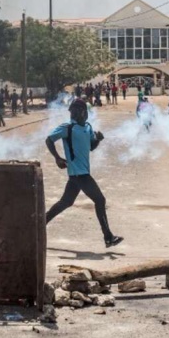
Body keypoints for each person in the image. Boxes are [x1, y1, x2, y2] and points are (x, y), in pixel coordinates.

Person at [45, 98, 123, 248]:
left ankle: (40, 223)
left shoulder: (88, 127)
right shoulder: (67, 128)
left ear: (83, 112)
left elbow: (91, 147)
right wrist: (57, 158)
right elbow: (49, 140)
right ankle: (108, 237)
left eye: (76, 111)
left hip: (79, 174)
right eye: (71, 111)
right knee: (100, 200)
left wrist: (98, 140)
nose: (73, 114)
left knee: (66, 202)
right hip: (79, 174)